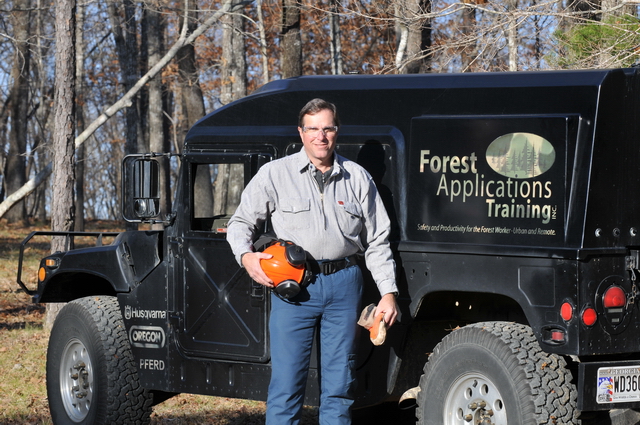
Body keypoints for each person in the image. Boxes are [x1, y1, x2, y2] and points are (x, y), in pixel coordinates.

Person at [226, 98, 398, 425]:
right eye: (313, 129)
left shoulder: (358, 177)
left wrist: (388, 293)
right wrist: (246, 256)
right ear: (301, 133)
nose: (321, 136)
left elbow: (378, 240)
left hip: (345, 286)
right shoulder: (275, 174)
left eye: (328, 128)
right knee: (287, 385)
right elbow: (240, 223)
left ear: (337, 132)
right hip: (295, 289)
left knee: (340, 385)